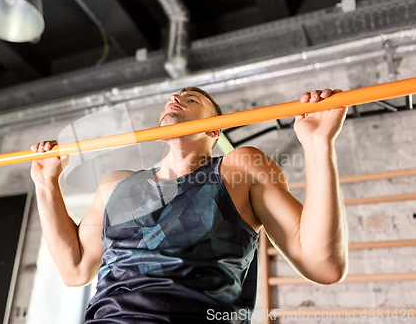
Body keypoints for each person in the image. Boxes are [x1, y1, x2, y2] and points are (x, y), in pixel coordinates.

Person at [30, 87, 348, 323]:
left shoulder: (240, 167)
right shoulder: (116, 185)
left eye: (191, 99)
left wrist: (319, 144)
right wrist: (46, 184)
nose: (175, 99)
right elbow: (75, 269)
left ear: (214, 129)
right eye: (173, 97)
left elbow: (324, 266)